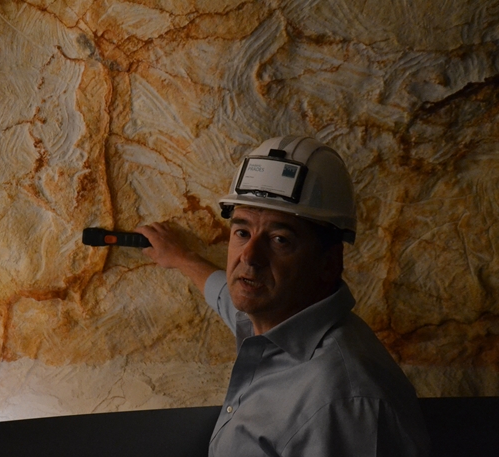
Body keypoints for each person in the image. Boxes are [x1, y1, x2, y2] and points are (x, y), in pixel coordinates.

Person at [136, 136, 430, 456]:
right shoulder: (275, 321)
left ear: (328, 263)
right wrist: (180, 258)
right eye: (243, 232)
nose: (249, 257)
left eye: (279, 239)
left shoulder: (342, 402)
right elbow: (226, 296)